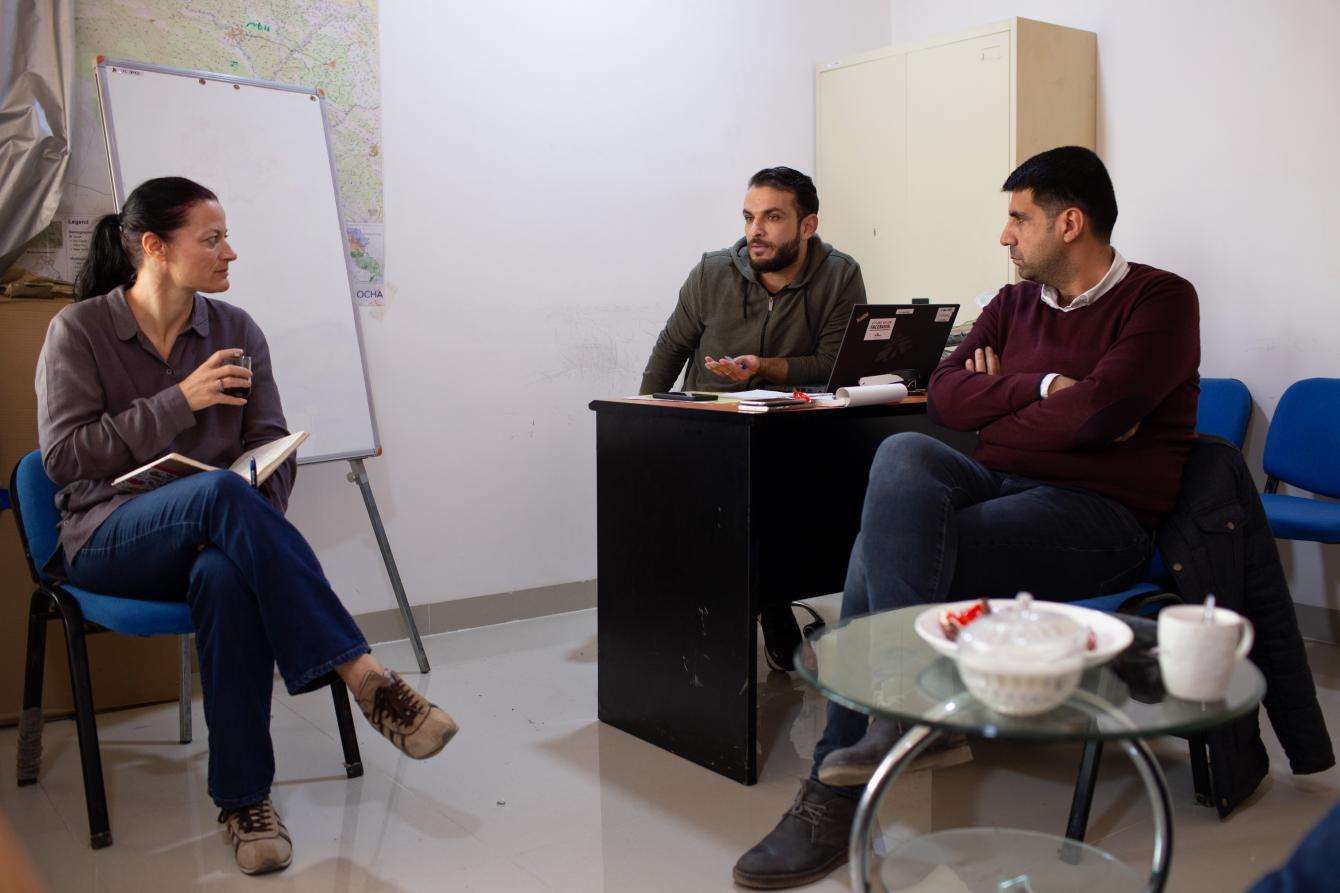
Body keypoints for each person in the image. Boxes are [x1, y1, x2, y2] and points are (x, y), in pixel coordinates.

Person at [733, 146, 1201, 888]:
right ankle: (902, 717)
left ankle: (837, 787)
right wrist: (1046, 386)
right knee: (908, 454)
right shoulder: (1014, 304)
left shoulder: (1161, 300)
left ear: (1069, 221)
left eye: (1018, 218)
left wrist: (1022, 405)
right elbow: (948, 395)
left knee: (875, 553)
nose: (1005, 236)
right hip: (1003, 480)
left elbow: (1107, 414)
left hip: (1100, 516)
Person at [37, 177, 459, 876]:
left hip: (215, 535)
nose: (230, 251)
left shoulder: (236, 330)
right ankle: (363, 672)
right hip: (106, 537)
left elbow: (269, 445)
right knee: (217, 496)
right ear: (154, 247)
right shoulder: (78, 331)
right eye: (212, 238)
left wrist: (248, 498)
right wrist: (180, 400)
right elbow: (61, 459)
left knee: (225, 571)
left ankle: (244, 802)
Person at [639, 166, 867, 670]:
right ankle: (736, 616)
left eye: (772, 217)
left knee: (789, 509)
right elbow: (671, 347)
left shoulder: (839, 274)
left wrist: (765, 367)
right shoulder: (711, 272)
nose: (755, 231)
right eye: (749, 217)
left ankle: (773, 600)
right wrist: (645, 420)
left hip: (790, 430)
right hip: (712, 430)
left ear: (807, 226)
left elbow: (835, 365)